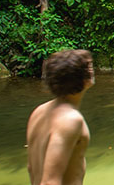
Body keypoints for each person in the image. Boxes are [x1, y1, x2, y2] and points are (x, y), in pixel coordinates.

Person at [26, 49, 94, 185]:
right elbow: (49, 182)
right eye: (90, 67)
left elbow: (31, 168)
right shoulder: (70, 120)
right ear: (84, 79)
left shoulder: (39, 111)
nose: (93, 70)